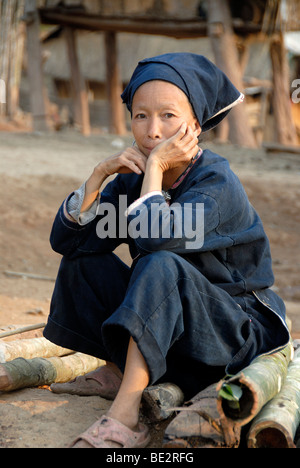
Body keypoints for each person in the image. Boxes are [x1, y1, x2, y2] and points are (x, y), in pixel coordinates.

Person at [44, 53, 290, 448]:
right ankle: (117, 368)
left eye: (168, 116)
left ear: (195, 124)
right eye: (141, 116)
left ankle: (125, 417)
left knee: (160, 263)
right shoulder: (131, 181)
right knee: (84, 260)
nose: (152, 131)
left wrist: (155, 170)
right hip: (170, 336)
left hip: (230, 335)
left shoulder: (217, 183)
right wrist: (97, 179)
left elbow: (160, 240)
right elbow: (69, 243)